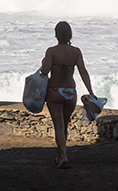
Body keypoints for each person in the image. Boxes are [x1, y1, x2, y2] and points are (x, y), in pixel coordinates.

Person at [40, 21, 94, 169]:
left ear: (56, 35)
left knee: (58, 124)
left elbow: (44, 71)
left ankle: (63, 157)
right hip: (71, 92)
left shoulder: (51, 51)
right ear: (70, 35)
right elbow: (83, 72)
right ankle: (60, 155)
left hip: (55, 91)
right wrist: (91, 91)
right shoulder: (76, 51)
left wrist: (44, 61)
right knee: (64, 124)